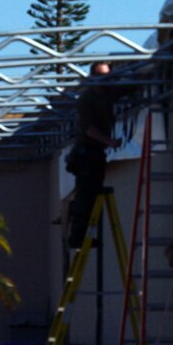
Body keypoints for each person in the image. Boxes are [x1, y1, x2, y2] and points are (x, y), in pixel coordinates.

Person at [66, 61, 122, 248]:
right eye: (99, 75)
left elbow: (128, 88)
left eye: (106, 76)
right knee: (86, 195)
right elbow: (89, 129)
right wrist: (110, 142)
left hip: (95, 153)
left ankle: (82, 235)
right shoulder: (87, 99)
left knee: (90, 194)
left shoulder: (107, 95)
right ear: (91, 77)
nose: (103, 80)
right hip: (87, 153)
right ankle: (78, 237)